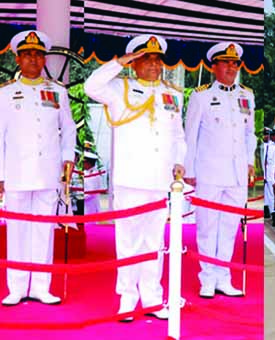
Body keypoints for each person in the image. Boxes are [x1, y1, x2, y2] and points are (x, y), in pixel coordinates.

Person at [84, 34, 186, 321]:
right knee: (128, 241)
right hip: (130, 178)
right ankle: (128, 299)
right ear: (135, 62)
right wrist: (118, 63)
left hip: (159, 180)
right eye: (146, 58)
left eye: (157, 59)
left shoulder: (173, 94)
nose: (154, 64)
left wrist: (180, 161)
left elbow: (178, 135)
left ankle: (152, 298)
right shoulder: (119, 88)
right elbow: (90, 86)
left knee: (154, 242)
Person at [0, 30, 76, 306]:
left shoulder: (58, 92)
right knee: (18, 229)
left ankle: (42, 285)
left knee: (44, 229)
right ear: (18, 59)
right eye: (28, 54)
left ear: (44, 58)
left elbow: (68, 129)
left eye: (38, 54)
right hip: (17, 171)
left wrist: (68, 157)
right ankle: (17, 287)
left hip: (48, 170)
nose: (34, 59)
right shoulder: (6, 94)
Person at [184, 42, 256, 299]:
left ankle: (223, 277)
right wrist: (189, 168)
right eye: (226, 63)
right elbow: (190, 135)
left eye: (235, 63)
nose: (232, 67)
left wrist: (250, 161)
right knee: (207, 226)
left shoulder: (247, 95)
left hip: (237, 175)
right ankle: (207, 278)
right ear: (214, 66)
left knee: (229, 227)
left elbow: (250, 134)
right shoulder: (201, 95)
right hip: (209, 172)